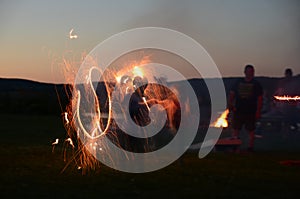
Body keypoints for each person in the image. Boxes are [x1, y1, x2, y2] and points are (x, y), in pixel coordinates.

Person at [228, 64, 263, 151]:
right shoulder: (238, 82)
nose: (250, 73)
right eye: (248, 71)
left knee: (251, 130)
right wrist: (230, 104)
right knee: (236, 129)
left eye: (251, 72)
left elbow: (260, 98)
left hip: (251, 111)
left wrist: (258, 111)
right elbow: (232, 94)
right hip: (238, 110)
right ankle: (235, 147)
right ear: (245, 72)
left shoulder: (256, 84)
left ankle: (250, 147)